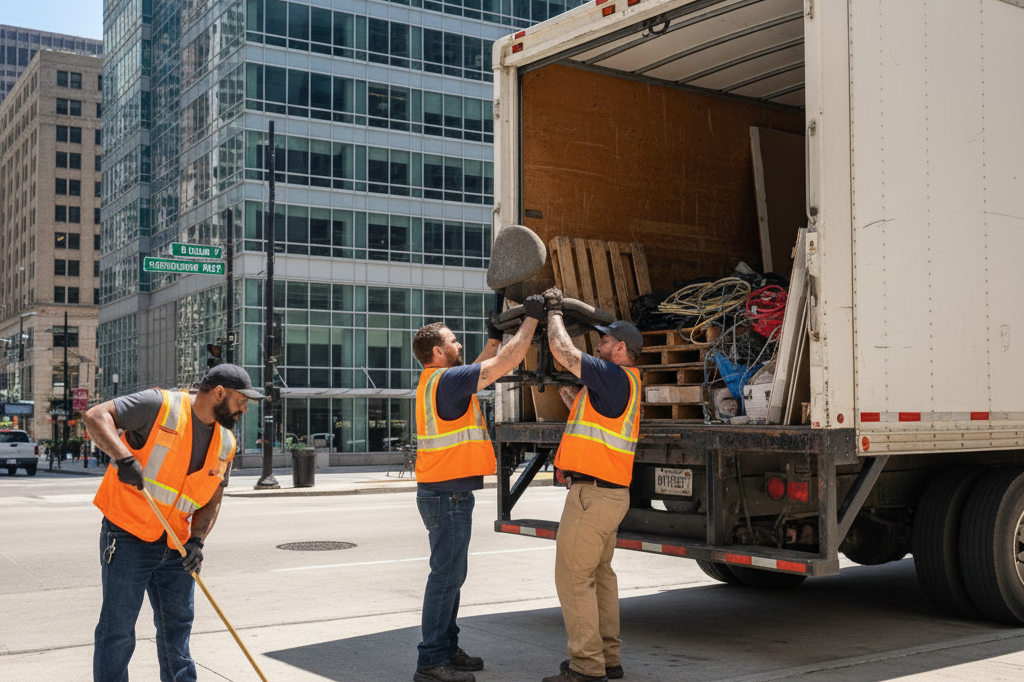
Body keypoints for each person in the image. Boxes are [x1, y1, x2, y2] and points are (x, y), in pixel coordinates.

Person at [85, 364, 262, 682]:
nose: (244, 408)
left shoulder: (226, 443)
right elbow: (96, 416)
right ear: (219, 392)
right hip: (127, 535)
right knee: (119, 631)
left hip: (176, 544)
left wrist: (197, 540)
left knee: (177, 633)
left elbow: (212, 497)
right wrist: (123, 457)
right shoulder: (159, 405)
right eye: (241, 400)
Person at [411, 300, 543, 682]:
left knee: (452, 575)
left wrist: (493, 335)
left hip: (444, 492)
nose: (458, 345)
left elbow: (485, 358)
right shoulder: (447, 381)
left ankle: (447, 648)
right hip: (447, 495)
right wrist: (531, 319)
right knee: (445, 578)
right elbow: (503, 364)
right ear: (438, 351)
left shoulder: (435, 380)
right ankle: (431, 662)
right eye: (453, 341)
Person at [541, 287, 643, 682]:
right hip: (610, 496)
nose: (598, 344)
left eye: (603, 340)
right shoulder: (623, 385)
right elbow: (595, 424)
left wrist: (553, 313)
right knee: (600, 577)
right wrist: (569, 397)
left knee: (573, 578)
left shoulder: (612, 375)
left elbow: (565, 353)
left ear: (620, 349)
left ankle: (586, 667)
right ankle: (608, 659)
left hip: (591, 497)